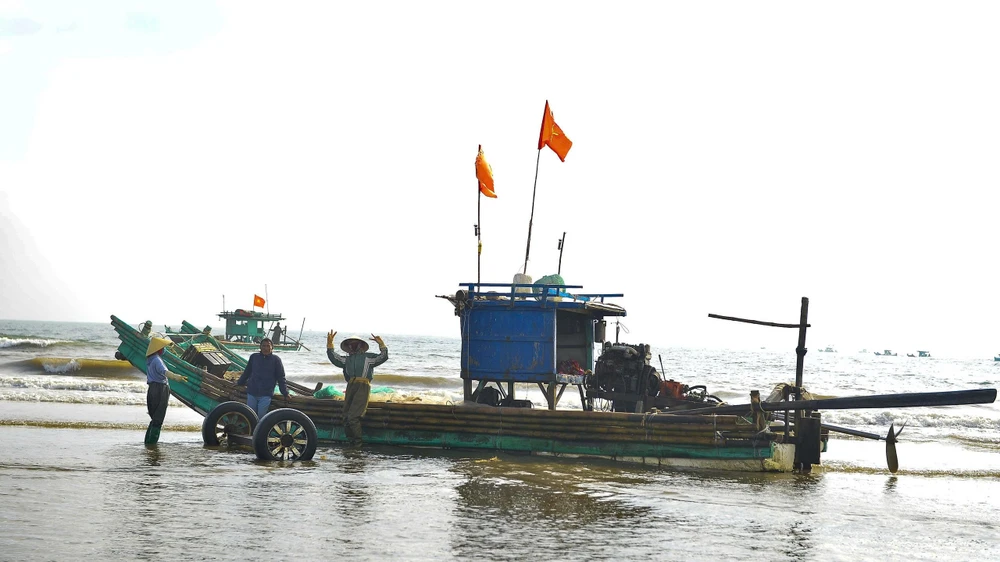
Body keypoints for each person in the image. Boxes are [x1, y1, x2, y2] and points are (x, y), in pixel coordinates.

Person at [326, 330, 388, 448]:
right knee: (345, 417)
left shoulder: (368, 358)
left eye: (355, 343)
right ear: (348, 347)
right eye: (351, 344)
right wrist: (330, 345)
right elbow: (334, 358)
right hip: (351, 386)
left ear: (360, 346)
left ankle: (357, 444)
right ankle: (351, 443)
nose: (353, 346)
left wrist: (381, 344)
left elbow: (383, 357)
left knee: (353, 417)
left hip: (362, 386)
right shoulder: (347, 360)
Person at [144, 337, 186, 445]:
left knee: (154, 418)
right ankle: (152, 444)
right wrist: (177, 377)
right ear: (158, 349)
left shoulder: (150, 359)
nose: (164, 349)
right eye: (162, 347)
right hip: (160, 389)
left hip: (152, 388)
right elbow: (164, 372)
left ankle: (147, 442)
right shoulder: (157, 360)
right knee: (158, 418)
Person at [236, 338, 289, 419]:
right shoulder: (254, 357)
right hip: (252, 392)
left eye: (268, 346)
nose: (266, 348)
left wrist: (285, 392)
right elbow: (247, 372)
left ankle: (259, 431)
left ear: (272, 348)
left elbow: (281, 377)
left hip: (266, 394)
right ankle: (252, 431)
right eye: (263, 346)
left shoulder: (276, 360)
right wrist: (239, 383)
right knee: (250, 416)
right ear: (260, 347)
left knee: (261, 416)